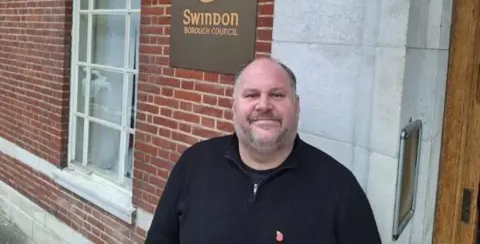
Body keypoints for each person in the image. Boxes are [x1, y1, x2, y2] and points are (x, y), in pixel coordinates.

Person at [145, 57, 382, 244]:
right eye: (252, 95)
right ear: (234, 107)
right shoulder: (194, 164)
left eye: (277, 94)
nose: (264, 105)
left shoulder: (340, 188)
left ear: (297, 106)